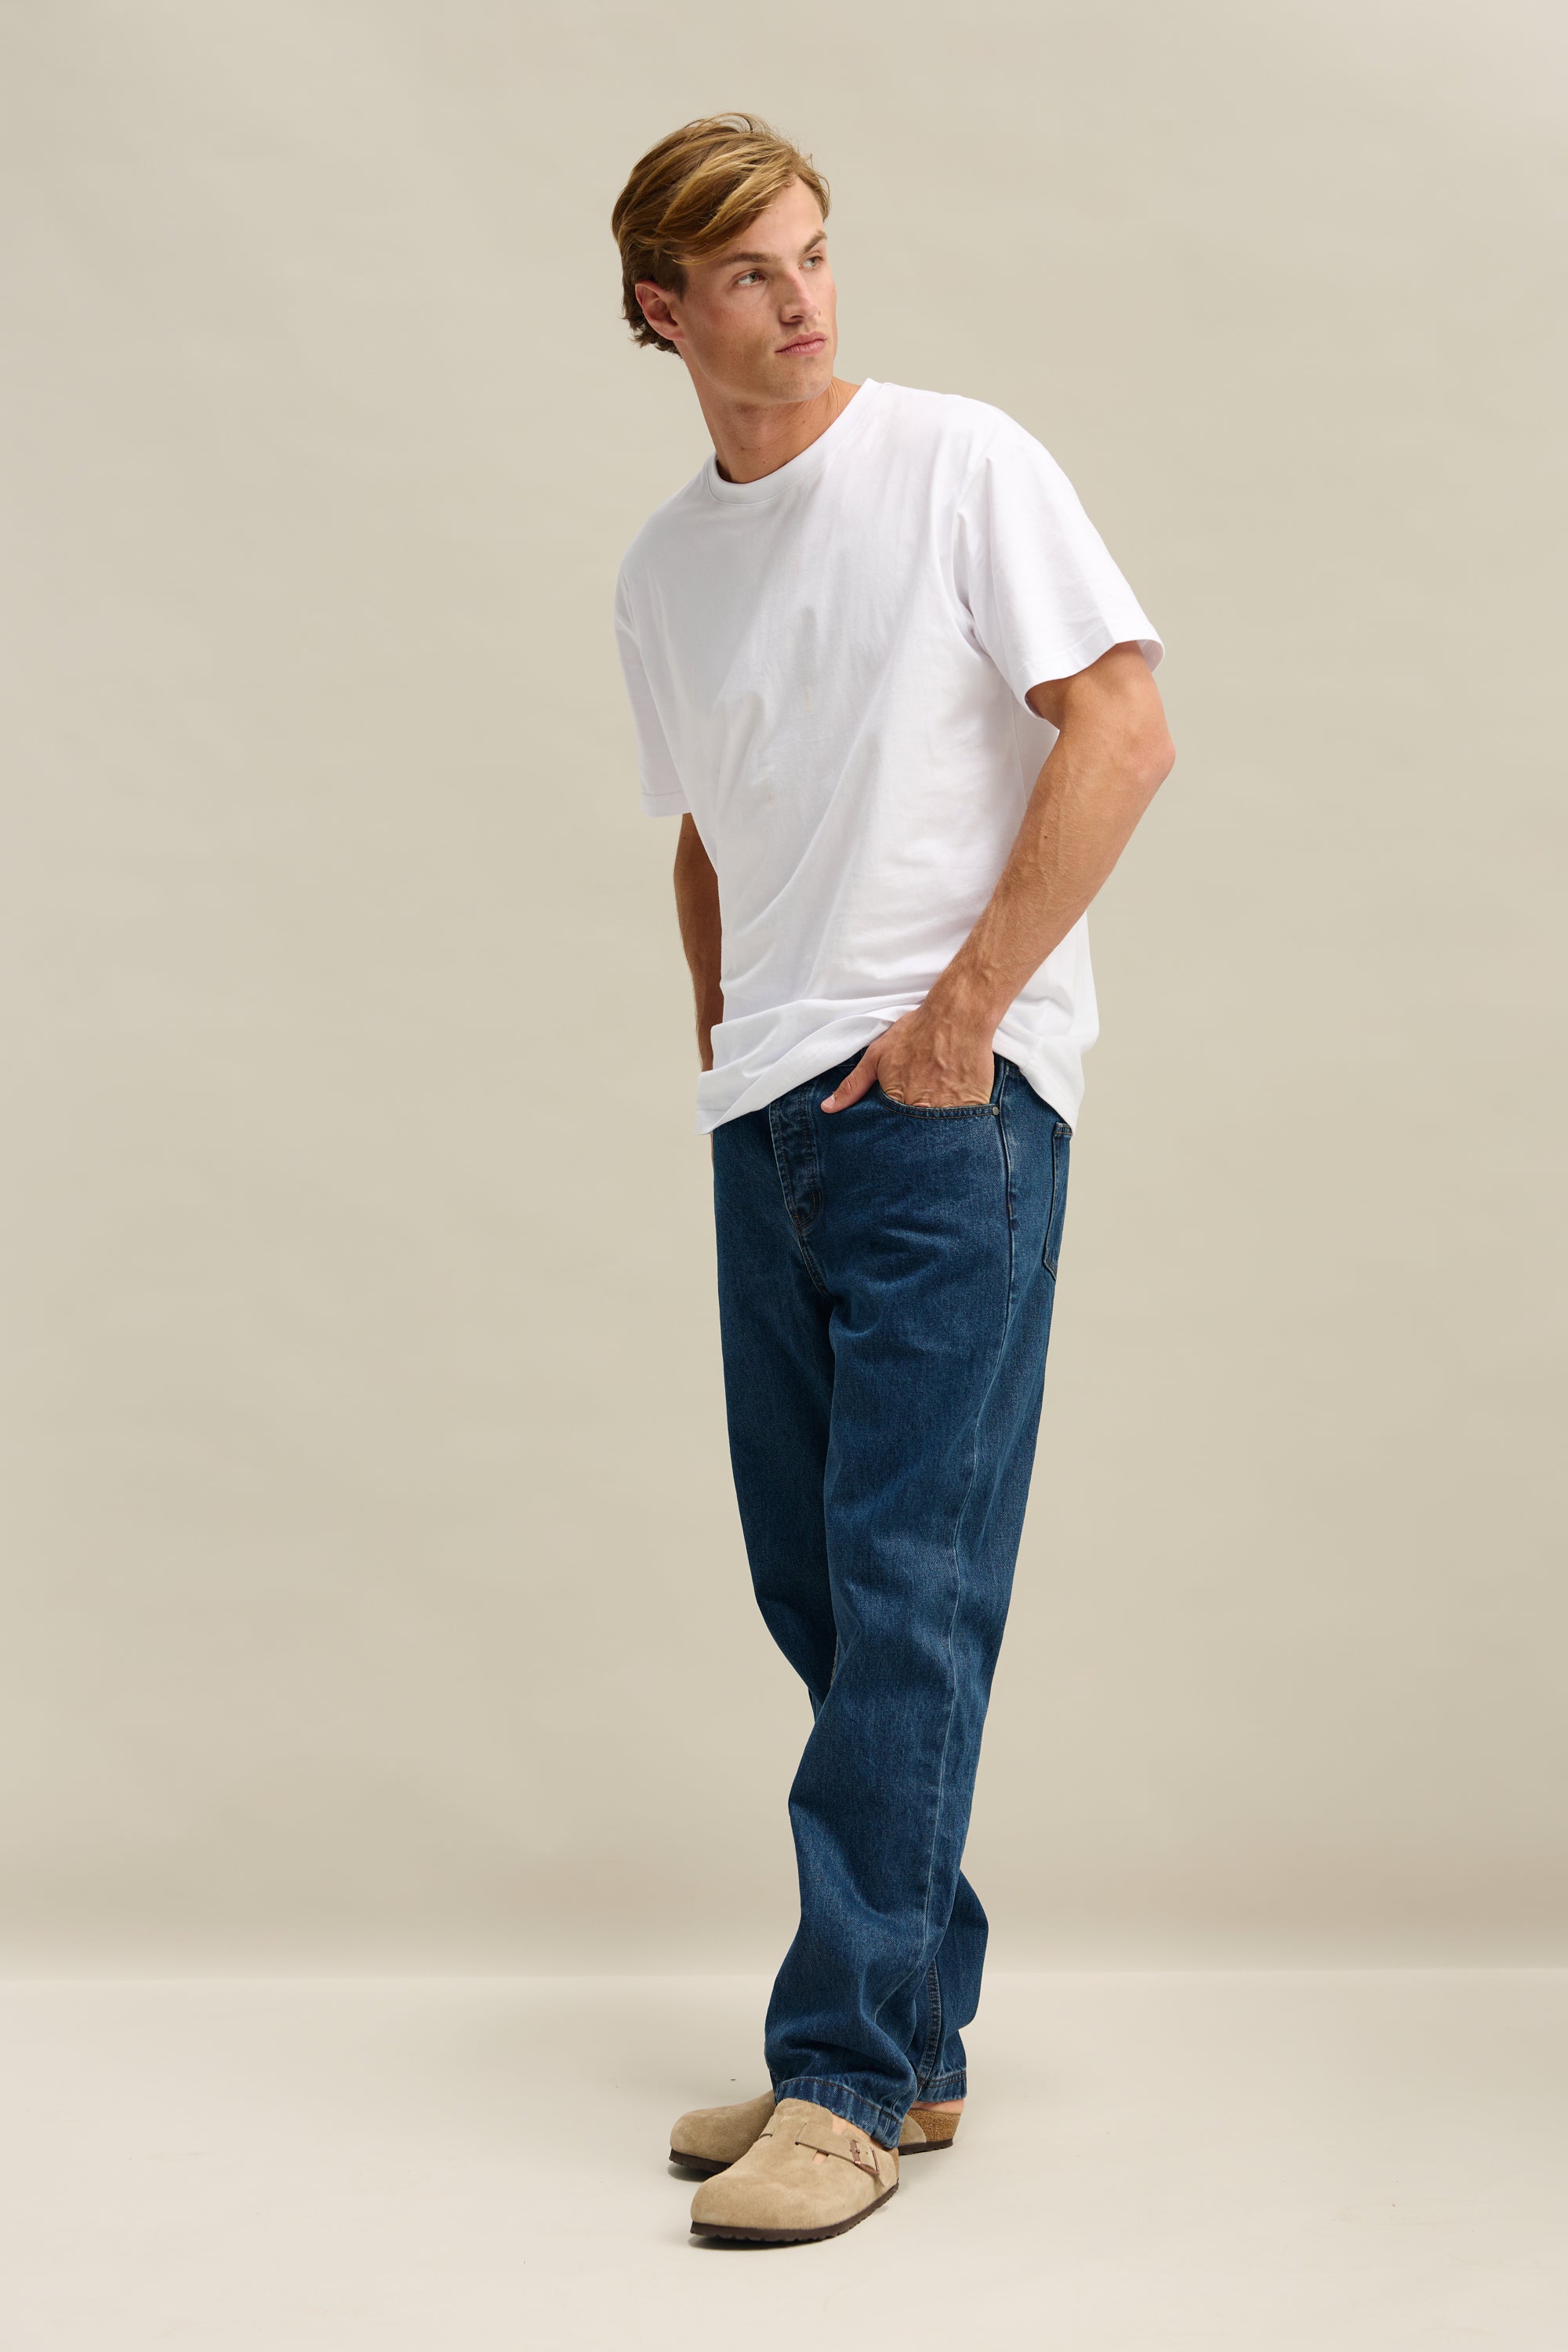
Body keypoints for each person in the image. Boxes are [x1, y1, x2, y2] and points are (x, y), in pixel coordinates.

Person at [610, 114, 1173, 2247]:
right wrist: (728, 1054)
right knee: (826, 1590)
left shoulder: (958, 464)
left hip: (949, 1110)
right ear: (663, 309)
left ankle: (839, 2078)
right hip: (774, 1118)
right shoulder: (665, 567)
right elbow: (703, 828)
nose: (804, 301)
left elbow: (1122, 725)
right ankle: (914, 2035)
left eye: (818, 254)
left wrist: (961, 1022)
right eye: (752, 273)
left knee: (908, 1588)